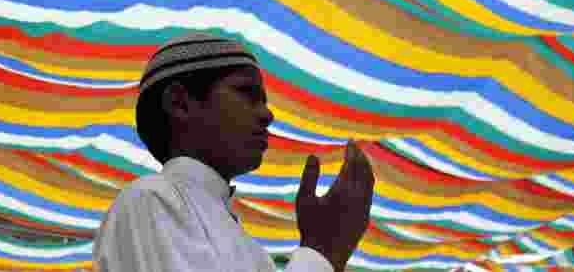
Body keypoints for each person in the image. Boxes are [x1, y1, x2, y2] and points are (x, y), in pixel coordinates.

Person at [94, 32, 375, 271]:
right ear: (180, 103)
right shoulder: (151, 199)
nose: (267, 114)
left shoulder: (251, 249)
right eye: (247, 94)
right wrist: (321, 251)